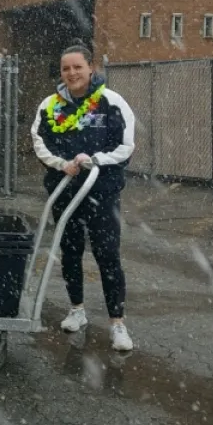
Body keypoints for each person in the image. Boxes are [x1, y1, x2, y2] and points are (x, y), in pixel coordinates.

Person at [30, 42, 135, 352]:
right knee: (70, 252)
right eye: (66, 68)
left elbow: (125, 145)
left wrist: (95, 160)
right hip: (65, 190)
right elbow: (40, 142)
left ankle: (117, 323)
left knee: (107, 256)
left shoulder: (110, 102)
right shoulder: (50, 105)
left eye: (78, 66)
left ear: (91, 68)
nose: (72, 73)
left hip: (101, 192)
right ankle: (77, 309)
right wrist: (64, 165)